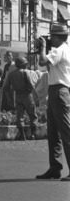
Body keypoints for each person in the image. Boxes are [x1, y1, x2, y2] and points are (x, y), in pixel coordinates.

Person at [35, 24, 70, 181]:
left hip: (59, 91)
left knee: (65, 132)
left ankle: (57, 167)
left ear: (60, 37)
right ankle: (55, 168)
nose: (51, 39)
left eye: (53, 36)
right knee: (53, 132)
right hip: (56, 90)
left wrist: (42, 48)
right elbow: (50, 68)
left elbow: (42, 62)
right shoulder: (62, 49)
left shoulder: (60, 49)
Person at [3, 56, 38, 140]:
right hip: (27, 95)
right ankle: (33, 134)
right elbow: (31, 85)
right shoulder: (25, 72)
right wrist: (34, 95)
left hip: (17, 96)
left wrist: (9, 98)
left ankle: (22, 135)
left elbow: (5, 88)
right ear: (24, 65)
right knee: (32, 115)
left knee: (20, 116)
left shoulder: (11, 74)